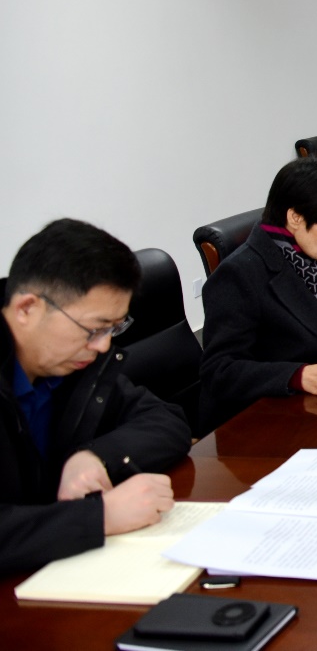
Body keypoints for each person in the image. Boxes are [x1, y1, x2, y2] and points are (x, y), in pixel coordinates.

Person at [0, 219, 190, 574]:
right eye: (94, 329)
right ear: (27, 309)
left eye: (114, 328)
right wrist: (98, 517)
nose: (104, 345)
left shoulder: (71, 363)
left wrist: (95, 457)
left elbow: (166, 420)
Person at [200, 157, 317, 432]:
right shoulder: (239, 275)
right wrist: (296, 375)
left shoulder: (309, 250)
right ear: (295, 217)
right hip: (262, 425)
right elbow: (220, 372)